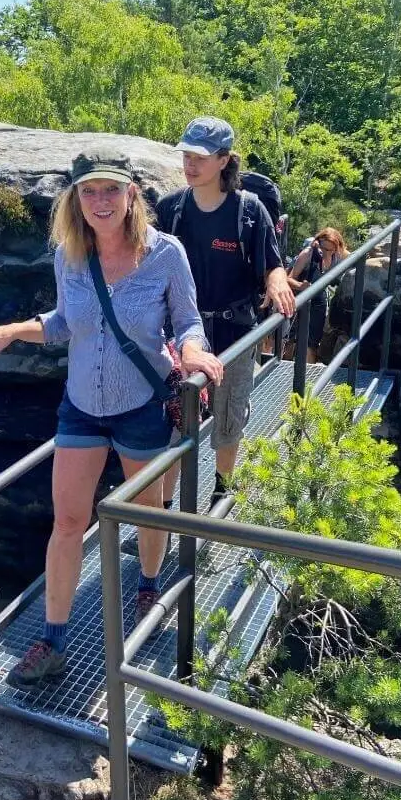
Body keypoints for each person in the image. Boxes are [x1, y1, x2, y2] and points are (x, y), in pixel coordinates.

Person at [0, 146, 224, 690]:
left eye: (111, 189)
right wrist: (16, 330)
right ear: (76, 198)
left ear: (132, 193)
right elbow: (64, 322)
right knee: (67, 522)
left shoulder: (165, 254)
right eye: (90, 191)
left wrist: (196, 350)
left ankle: (149, 584)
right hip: (81, 406)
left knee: (148, 512)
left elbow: (188, 321)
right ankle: (53, 640)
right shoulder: (69, 255)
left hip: (139, 407)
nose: (101, 200)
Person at [154, 117, 296, 509]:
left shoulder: (248, 211)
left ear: (224, 160)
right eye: (186, 154)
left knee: (228, 414)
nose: (190, 163)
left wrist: (277, 281)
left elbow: (271, 261)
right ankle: (165, 507)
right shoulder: (171, 210)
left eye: (200, 156)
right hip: (183, 333)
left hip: (234, 331)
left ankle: (221, 491)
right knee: (176, 418)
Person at [286, 227, 348, 364]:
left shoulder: (337, 256)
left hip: (318, 300)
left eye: (330, 250)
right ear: (317, 242)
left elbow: (350, 256)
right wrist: (300, 286)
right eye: (323, 248)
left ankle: (308, 381)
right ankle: (285, 370)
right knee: (290, 340)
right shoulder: (308, 253)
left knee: (312, 343)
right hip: (298, 298)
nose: (326, 252)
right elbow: (288, 278)